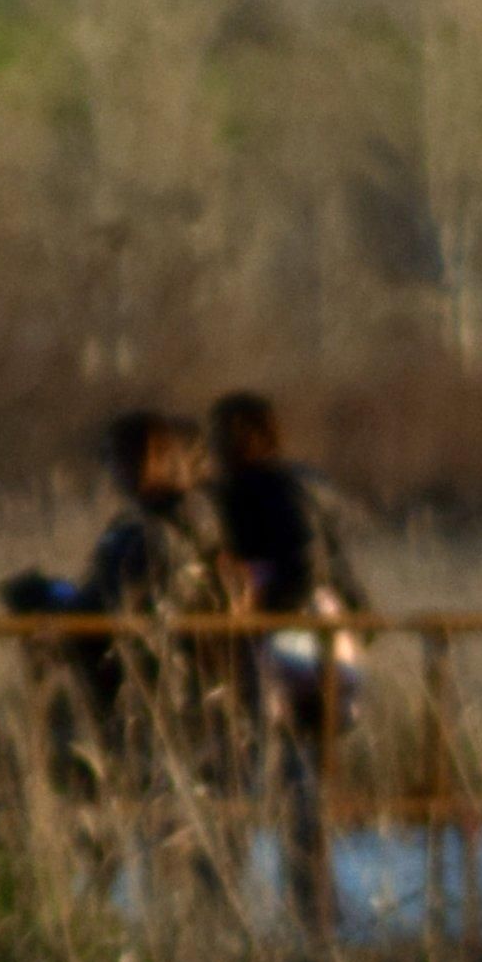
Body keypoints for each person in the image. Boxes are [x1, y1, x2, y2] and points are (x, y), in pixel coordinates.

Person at [0, 409, 237, 780]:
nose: (112, 470)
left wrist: (49, 601)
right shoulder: (194, 521)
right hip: (176, 688)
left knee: (19, 738)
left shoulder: (153, 531)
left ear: (145, 460)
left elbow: (119, 608)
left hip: (146, 689)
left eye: (115, 457)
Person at [206, 387, 368, 926]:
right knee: (303, 783)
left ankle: (231, 911)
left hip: (286, 646)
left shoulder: (264, 489)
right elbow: (341, 574)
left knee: (251, 774)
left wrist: (258, 609)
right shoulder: (307, 483)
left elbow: (306, 563)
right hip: (325, 641)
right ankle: (315, 909)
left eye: (219, 435)